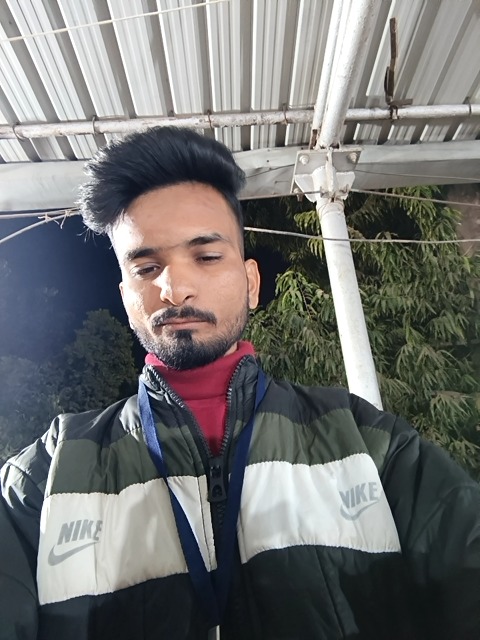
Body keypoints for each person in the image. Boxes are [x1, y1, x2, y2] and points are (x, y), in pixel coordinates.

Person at [1, 127, 479, 640]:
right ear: (125, 296)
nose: (174, 288)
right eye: (147, 267)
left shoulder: (370, 443)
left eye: (207, 257)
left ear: (251, 282)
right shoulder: (45, 477)